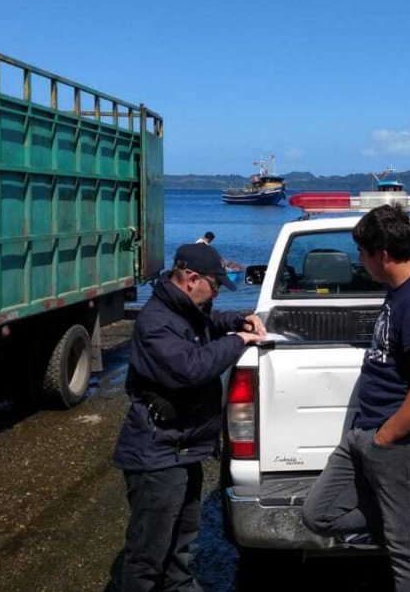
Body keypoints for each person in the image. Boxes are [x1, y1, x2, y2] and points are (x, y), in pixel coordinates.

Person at [302, 204, 410, 591]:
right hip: (366, 434)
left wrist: (386, 437)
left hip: (404, 442)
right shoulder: (399, 291)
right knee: (318, 514)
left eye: (362, 252)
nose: (359, 260)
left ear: (383, 254)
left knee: (406, 552)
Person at [114, 242, 266, 592]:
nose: (216, 293)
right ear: (192, 279)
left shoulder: (183, 309)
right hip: (157, 454)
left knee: (182, 543)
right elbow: (189, 368)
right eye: (214, 285)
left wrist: (238, 320)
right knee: (148, 555)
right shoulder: (155, 323)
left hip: (183, 449)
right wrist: (238, 340)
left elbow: (208, 322)